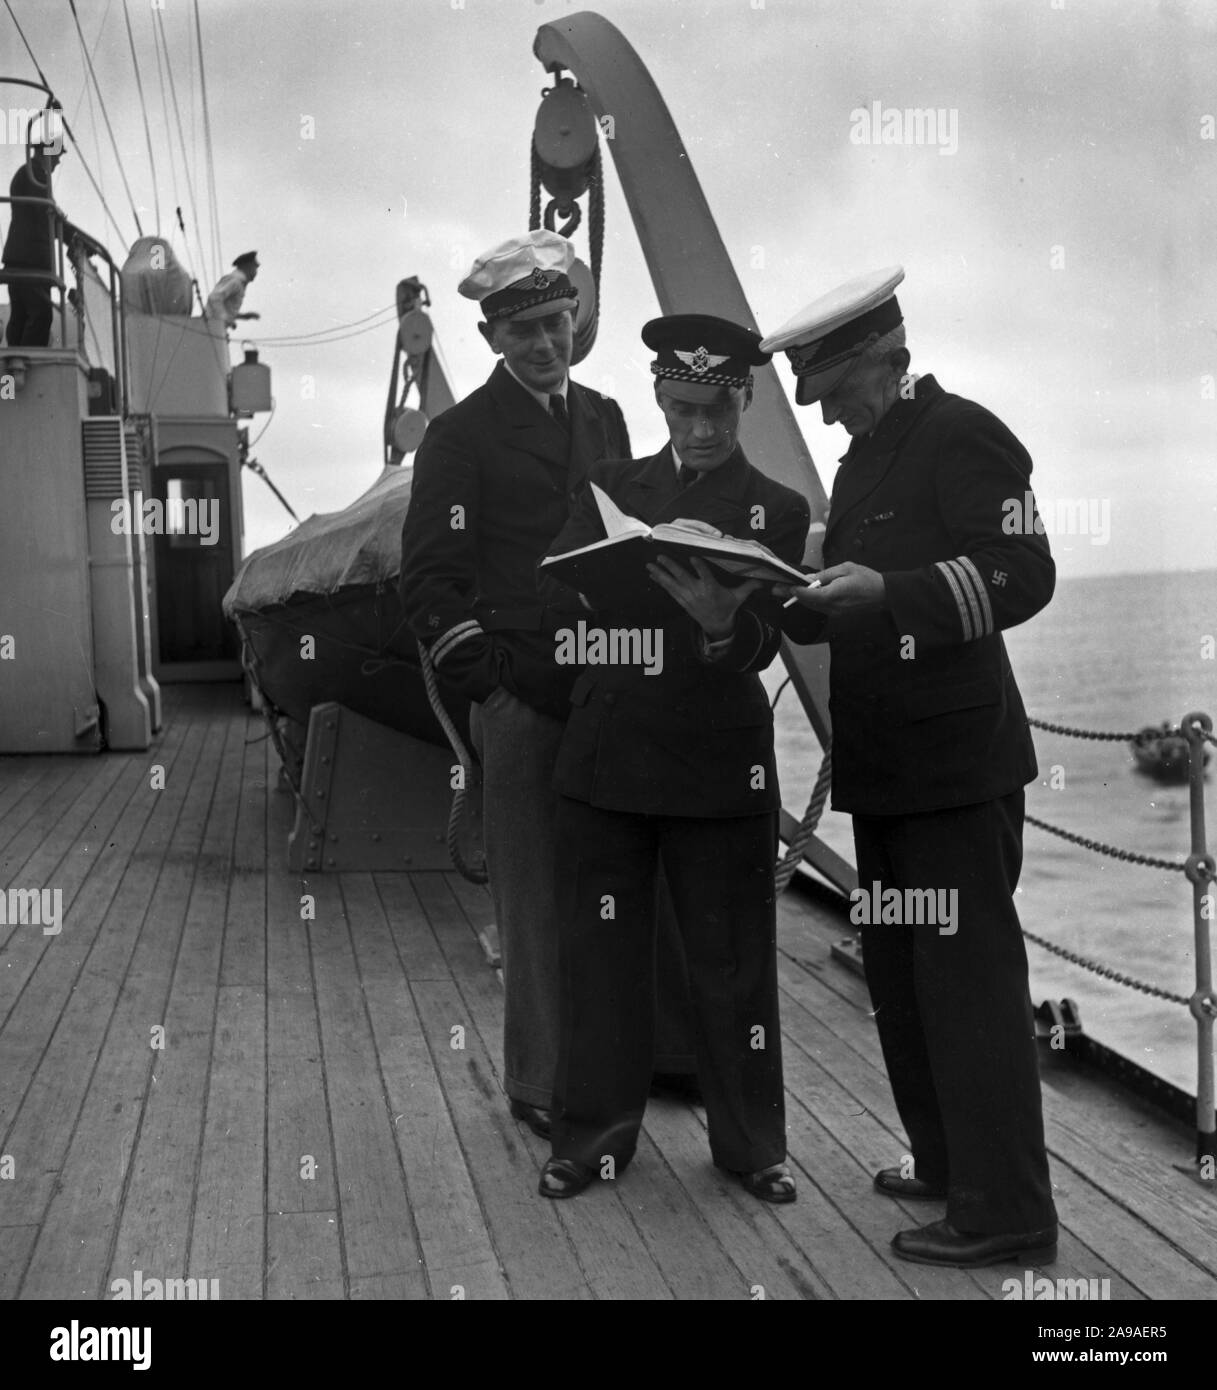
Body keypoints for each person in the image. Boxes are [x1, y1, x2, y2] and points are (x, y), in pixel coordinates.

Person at [761, 266, 1059, 1266]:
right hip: (886, 774)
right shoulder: (860, 467)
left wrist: (886, 594)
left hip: (955, 773)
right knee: (902, 979)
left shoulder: (962, 435)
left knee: (967, 988)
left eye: (835, 390)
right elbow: (852, 592)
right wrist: (770, 595)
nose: (829, 412)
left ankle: (1007, 1213)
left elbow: (1023, 572)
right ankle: (944, 1165)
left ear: (884, 358)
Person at [398, 230, 696, 1140]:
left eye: (557, 323)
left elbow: (629, 536)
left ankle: (642, 1059)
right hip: (525, 697)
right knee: (530, 898)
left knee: (617, 884)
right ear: (491, 337)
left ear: (574, 321)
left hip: (606, 693)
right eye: (523, 331)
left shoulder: (604, 418)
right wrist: (491, 685)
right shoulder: (458, 438)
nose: (544, 344)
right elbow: (429, 582)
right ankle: (538, 1083)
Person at [537, 314, 810, 1204]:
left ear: (743, 399)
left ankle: (750, 1146)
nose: (700, 430)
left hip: (717, 765)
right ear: (659, 396)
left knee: (732, 964)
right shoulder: (607, 488)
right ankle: (592, 1140)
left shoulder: (777, 508)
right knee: (602, 958)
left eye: (718, 411)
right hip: (610, 755)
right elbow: (561, 596)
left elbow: (772, 637)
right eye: (685, 408)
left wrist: (725, 626)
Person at [3, 144, 78, 348]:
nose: (58, 160)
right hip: (31, 259)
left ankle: (13, 366)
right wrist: (75, 238)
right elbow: (46, 214)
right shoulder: (35, 175)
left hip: (19, 257)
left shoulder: (28, 174)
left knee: (21, 317)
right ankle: (25, 366)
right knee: (40, 316)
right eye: (57, 155)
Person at [206, 251, 260, 327]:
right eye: (255, 267)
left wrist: (243, 316)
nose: (256, 272)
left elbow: (226, 309)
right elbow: (214, 298)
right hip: (211, 329)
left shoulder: (239, 283)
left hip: (214, 329)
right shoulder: (235, 281)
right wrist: (225, 319)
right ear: (248, 266)